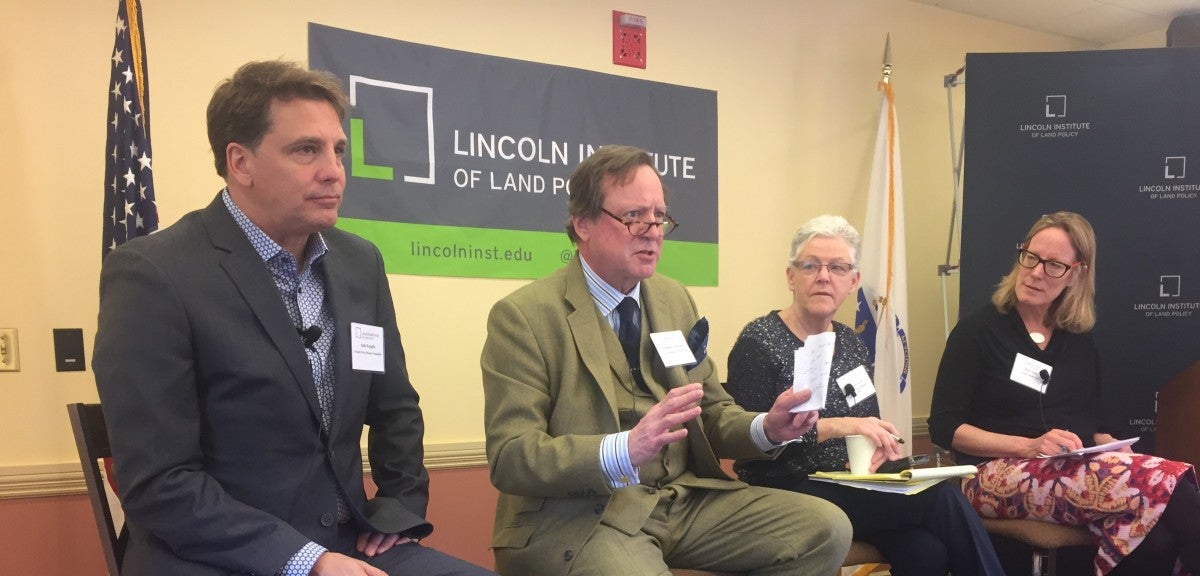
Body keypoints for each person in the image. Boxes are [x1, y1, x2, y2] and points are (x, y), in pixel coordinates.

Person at [92, 61, 496, 576]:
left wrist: (397, 509)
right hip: (216, 557)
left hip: (350, 546)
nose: (333, 170)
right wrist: (307, 561)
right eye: (306, 150)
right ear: (240, 162)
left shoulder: (359, 263)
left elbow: (395, 408)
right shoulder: (154, 273)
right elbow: (159, 481)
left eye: (337, 151)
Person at [480, 145, 852, 576]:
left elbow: (711, 411)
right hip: (584, 515)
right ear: (583, 224)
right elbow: (512, 456)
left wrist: (766, 428)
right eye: (635, 216)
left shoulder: (674, 299)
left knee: (825, 529)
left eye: (660, 217)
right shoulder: (524, 316)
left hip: (680, 499)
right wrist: (624, 449)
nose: (653, 231)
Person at [724, 215, 1004, 576]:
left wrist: (878, 449)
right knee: (942, 499)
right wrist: (839, 426)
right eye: (811, 266)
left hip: (850, 482)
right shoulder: (758, 342)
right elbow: (744, 440)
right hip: (786, 488)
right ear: (791, 277)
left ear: (853, 281)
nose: (824, 276)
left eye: (837, 267)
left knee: (926, 551)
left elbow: (865, 422)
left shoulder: (851, 344)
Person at [928, 211, 1200, 576]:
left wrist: (1117, 450)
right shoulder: (977, 332)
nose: (1036, 272)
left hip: (1068, 468)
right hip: (989, 475)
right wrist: (1026, 446)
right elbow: (944, 427)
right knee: (1173, 485)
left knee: (1158, 533)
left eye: (1054, 265)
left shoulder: (1078, 341)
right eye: (1031, 257)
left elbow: (1094, 424)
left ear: (1077, 273)